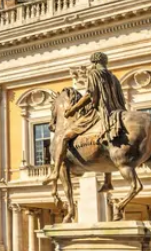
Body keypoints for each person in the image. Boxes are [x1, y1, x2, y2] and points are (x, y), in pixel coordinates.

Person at [44, 51, 127, 191]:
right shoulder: (113, 77)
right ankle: (108, 181)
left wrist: (73, 109)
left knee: (65, 137)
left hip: (99, 111)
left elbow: (89, 95)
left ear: (94, 63)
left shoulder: (94, 74)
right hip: (116, 110)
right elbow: (121, 98)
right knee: (108, 142)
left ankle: (55, 171)